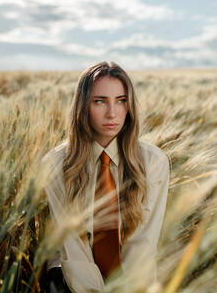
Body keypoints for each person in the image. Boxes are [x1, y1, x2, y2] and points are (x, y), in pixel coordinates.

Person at [42, 61, 170, 293]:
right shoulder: (56, 164)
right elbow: (73, 247)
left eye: (121, 101)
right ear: (83, 106)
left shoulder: (153, 161)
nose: (112, 113)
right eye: (99, 101)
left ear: (129, 106)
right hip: (73, 279)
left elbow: (143, 243)